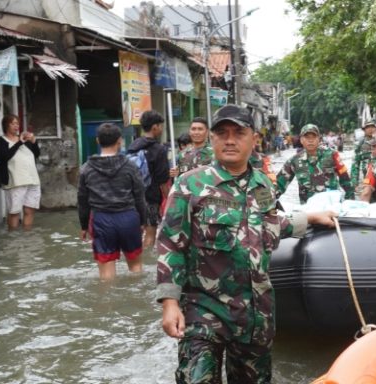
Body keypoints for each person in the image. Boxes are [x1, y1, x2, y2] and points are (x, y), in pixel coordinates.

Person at [155, 104, 336, 384]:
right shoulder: (190, 185)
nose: (230, 140)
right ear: (212, 139)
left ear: (254, 139)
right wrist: (169, 303)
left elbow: (269, 225)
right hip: (204, 309)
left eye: (239, 133)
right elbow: (170, 243)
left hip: (255, 313)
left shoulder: (264, 185)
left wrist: (310, 218)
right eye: (222, 133)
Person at [78, 123, 147, 280]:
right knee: (136, 267)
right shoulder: (130, 166)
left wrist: (84, 226)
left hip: (101, 220)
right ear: (120, 141)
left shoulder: (86, 168)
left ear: (97, 140)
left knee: (106, 274)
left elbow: (82, 200)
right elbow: (139, 196)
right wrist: (142, 221)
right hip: (129, 218)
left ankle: (108, 296)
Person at [127, 110, 175, 248]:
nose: (161, 129)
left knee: (135, 233)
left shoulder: (133, 146)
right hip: (150, 199)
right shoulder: (159, 149)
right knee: (150, 234)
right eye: (161, 126)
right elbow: (163, 181)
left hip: (131, 198)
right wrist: (171, 202)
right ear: (155, 127)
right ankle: (147, 258)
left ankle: (135, 257)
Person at [276, 124, 354, 203]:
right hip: (309, 207)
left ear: (319, 139)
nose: (310, 140)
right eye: (307, 137)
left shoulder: (332, 155)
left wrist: (350, 202)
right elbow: (279, 185)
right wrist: (270, 203)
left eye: (314, 137)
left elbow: (345, 179)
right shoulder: (294, 161)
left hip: (332, 205)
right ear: (301, 140)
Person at [0, 115, 41, 231]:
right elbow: (4, 157)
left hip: (32, 179)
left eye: (17, 123)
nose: (16, 126)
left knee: (30, 210)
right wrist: (19, 142)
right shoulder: (1, 140)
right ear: (6, 125)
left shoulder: (24, 140)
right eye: (13, 123)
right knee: (14, 212)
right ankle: (13, 238)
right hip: (15, 181)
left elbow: (36, 154)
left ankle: (27, 236)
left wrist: (34, 142)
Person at [351, 121, 376, 186]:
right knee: (367, 189)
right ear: (364, 130)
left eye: (372, 127)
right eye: (368, 127)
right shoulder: (360, 143)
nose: (370, 129)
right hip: (367, 175)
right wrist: (354, 182)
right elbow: (355, 163)